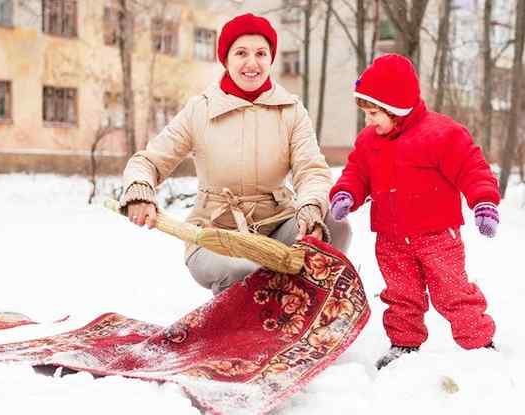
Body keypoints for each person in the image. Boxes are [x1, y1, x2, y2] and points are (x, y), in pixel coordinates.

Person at [120, 13, 351, 295]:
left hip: (277, 228)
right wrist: (140, 190)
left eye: (261, 53)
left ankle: (305, 304)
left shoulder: (291, 110)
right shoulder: (200, 110)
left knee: (336, 226)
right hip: (214, 234)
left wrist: (311, 210)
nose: (252, 63)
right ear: (226, 60)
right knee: (241, 271)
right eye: (241, 53)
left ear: (271, 59)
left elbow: (311, 170)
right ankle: (241, 325)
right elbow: (149, 161)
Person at [329, 54, 500, 369]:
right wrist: (345, 194)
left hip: (438, 237)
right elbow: (356, 174)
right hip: (391, 240)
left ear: (396, 108)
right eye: (366, 113)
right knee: (401, 295)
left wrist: (484, 202)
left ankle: (479, 346)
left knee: (453, 292)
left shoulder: (441, 134)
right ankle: (404, 346)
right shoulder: (369, 141)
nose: (368, 121)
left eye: (374, 113)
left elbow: (472, 168)